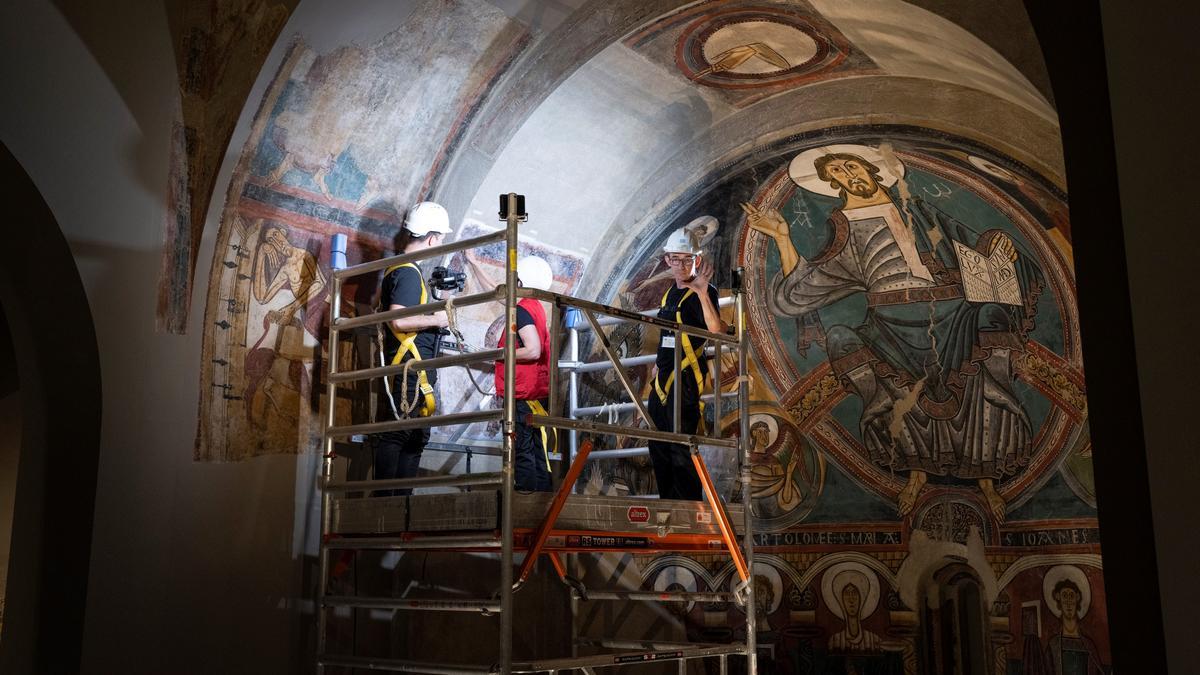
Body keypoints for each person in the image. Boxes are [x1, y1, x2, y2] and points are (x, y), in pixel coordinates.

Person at [746, 149, 1045, 520]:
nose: (848, 173)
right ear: (832, 183)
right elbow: (807, 288)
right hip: (891, 322)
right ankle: (916, 473)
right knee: (862, 357)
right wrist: (783, 239)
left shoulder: (915, 209)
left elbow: (967, 243)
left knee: (984, 348)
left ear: (871, 169)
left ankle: (987, 481)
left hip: (950, 312)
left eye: (851, 165)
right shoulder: (844, 227)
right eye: (838, 171)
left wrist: (998, 246)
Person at [373, 201, 452, 496]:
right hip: (409, 367)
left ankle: (400, 509)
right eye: (441, 238)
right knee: (399, 433)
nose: (440, 243)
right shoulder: (407, 272)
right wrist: (436, 319)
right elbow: (399, 319)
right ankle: (385, 508)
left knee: (415, 436)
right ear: (432, 238)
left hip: (415, 367)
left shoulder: (405, 270)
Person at [647, 219, 726, 501]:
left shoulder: (705, 291)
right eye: (674, 259)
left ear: (697, 259)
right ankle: (668, 506)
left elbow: (716, 330)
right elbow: (666, 334)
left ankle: (688, 510)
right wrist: (656, 366)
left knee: (681, 443)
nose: (680, 266)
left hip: (686, 376)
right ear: (667, 259)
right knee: (658, 443)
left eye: (686, 259)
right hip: (663, 378)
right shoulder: (670, 293)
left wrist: (703, 292)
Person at [494, 256, 556, 492]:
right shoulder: (535, 308)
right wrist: (477, 266)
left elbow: (532, 349)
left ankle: (525, 507)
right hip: (534, 395)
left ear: (519, 280)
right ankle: (540, 505)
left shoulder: (521, 311)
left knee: (522, 453)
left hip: (522, 395)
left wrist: (500, 353)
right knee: (536, 452)